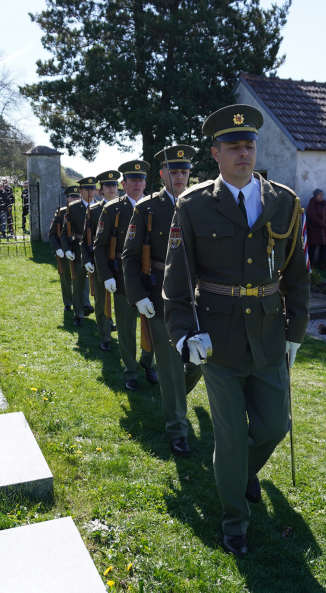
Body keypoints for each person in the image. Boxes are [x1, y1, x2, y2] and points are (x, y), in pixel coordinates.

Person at [162, 104, 310, 557]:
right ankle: (234, 523)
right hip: (218, 340)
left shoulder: (284, 201)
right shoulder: (193, 205)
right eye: (233, 147)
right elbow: (177, 279)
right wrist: (185, 333)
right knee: (228, 436)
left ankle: (243, 473)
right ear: (216, 153)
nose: (243, 153)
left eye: (249, 145)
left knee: (273, 425)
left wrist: (295, 332)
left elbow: (297, 273)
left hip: (267, 335)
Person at [123, 146, 204, 457]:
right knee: (170, 367)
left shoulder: (201, 203)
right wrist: (138, 295)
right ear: (162, 174)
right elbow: (129, 256)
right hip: (160, 296)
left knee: (200, 361)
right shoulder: (146, 208)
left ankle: (174, 400)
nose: (180, 176)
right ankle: (177, 429)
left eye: (184, 171)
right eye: (174, 171)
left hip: (198, 295)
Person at [94, 163, 156, 391]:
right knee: (126, 328)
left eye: (141, 180)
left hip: (150, 277)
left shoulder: (154, 206)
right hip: (121, 277)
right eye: (133, 181)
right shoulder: (112, 210)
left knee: (154, 325)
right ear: (124, 184)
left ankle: (148, 362)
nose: (138, 185)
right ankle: (130, 371)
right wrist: (106, 276)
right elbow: (99, 247)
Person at [85, 172, 120, 350]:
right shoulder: (93, 210)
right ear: (101, 190)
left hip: (121, 262)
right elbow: (86, 239)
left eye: (114, 185)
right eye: (108, 186)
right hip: (101, 262)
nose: (111, 189)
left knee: (122, 301)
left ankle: (120, 331)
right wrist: (87, 260)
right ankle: (105, 336)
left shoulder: (126, 207)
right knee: (102, 301)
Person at [61, 177, 97, 326]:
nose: (90, 192)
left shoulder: (102, 207)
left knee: (100, 286)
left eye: (92, 189)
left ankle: (105, 317)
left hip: (97, 249)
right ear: (80, 191)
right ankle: (79, 314)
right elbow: (64, 232)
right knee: (79, 283)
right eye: (86, 189)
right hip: (78, 249)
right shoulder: (73, 208)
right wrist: (66, 249)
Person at [49, 186, 80, 311]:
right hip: (63, 250)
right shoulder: (61, 212)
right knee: (66, 277)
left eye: (77, 196)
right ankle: (68, 302)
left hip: (78, 250)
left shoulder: (83, 211)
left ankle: (81, 302)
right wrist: (57, 249)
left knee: (80, 278)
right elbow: (52, 233)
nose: (74, 199)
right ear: (67, 198)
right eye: (72, 196)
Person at [305, 188, 326, 270]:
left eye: (322, 194)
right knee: (313, 247)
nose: (321, 196)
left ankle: (321, 263)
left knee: (324, 247)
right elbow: (313, 216)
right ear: (315, 196)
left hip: (325, 231)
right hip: (315, 230)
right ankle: (311, 263)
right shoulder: (312, 204)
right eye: (319, 194)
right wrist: (323, 224)